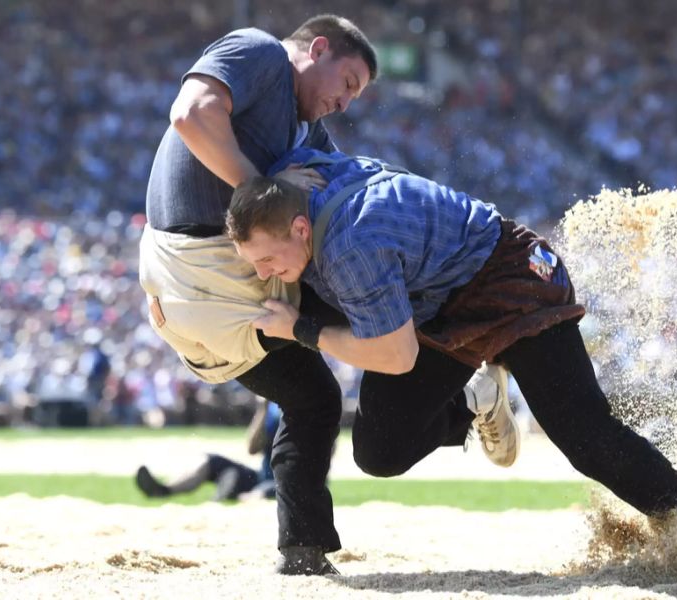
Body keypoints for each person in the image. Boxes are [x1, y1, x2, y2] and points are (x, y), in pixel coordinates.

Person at [139, 15, 511, 575]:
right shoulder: (260, 51)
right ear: (317, 49)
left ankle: (303, 552)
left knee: (315, 398)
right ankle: (473, 379)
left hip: (209, 294)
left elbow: (353, 184)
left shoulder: (303, 135)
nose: (346, 102)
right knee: (389, 301)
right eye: (348, 83)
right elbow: (190, 116)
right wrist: (264, 193)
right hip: (212, 272)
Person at [226, 149, 677, 565]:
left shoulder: (350, 246)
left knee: (584, 437)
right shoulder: (305, 174)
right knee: (379, 451)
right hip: (441, 304)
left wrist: (302, 329)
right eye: (256, 265)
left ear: (301, 226)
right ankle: (476, 399)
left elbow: (395, 355)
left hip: (510, 279)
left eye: (269, 260)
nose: (268, 275)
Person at [136, 400, 281, 501]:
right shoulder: (273, 407)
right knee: (209, 461)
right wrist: (263, 407)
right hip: (262, 477)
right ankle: (164, 490)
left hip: (283, 482)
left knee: (267, 488)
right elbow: (252, 448)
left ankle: (237, 490)